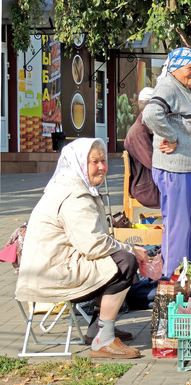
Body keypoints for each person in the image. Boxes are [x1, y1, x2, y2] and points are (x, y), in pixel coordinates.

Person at [15, 138, 149, 359]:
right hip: (54, 274)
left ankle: (98, 328)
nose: (102, 167)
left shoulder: (72, 185)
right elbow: (94, 245)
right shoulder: (74, 195)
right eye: (94, 162)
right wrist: (133, 250)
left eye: (104, 161)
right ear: (78, 163)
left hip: (55, 266)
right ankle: (103, 340)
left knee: (118, 259)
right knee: (125, 262)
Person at [143, 47, 191, 279]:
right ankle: (173, 278)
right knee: (178, 227)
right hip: (174, 169)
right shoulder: (168, 86)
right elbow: (151, 114)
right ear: (175, 68)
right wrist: (171, 136)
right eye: (190, 68)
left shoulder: (183, 89)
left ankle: (188, 273)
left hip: (190, 168)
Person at [124, 87, 160, 209]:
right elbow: (154, 163)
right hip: (148, 188)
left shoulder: (148, 127)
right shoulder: (139, 132)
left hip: (155, 182)